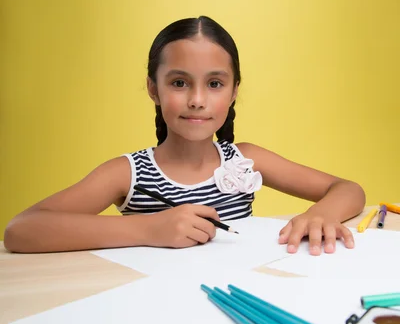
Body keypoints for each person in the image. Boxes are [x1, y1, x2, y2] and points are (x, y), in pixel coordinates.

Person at [4, 16, 365, 254]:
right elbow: (21, 230)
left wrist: (322, 214)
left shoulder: (246, 159)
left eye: (214, 84)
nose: (196, 100)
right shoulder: (126, 174)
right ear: (153, 88)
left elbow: (349, 190)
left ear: (234, 90)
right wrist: (148, 230)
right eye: (179, 83)